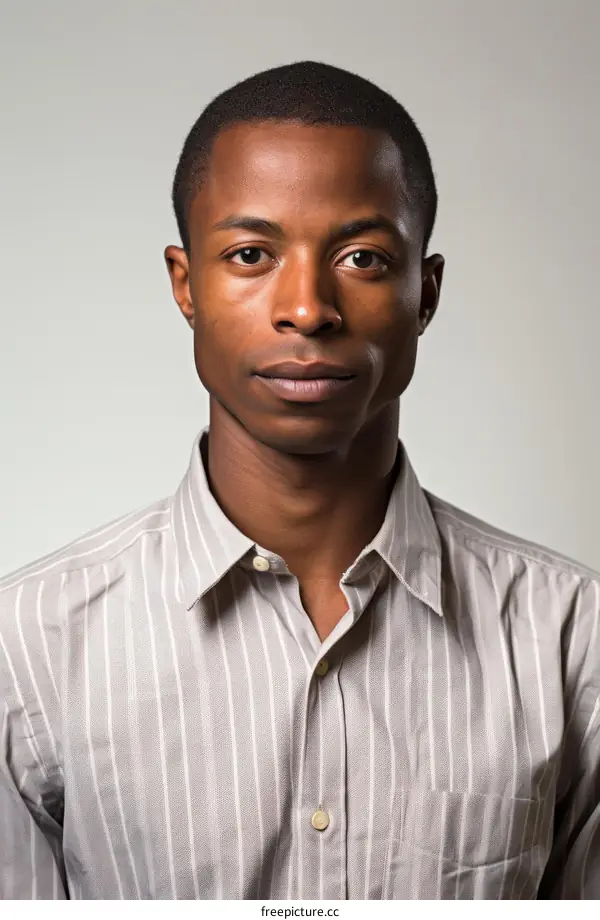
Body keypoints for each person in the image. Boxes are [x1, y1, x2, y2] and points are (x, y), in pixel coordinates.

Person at [0, 60, 598, 902]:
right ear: (186, 286)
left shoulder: (573, 639)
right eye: (251, 254)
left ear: (423, 293)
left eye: (361, 257)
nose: (308, 307)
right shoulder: (26, 650)